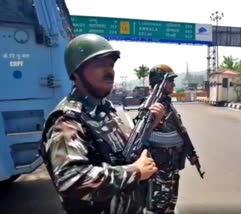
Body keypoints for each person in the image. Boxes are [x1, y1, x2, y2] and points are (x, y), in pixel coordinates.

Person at [40, 34, 165, 214]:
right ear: (77, 72)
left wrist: (150, 125)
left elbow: (122, 152)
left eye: (111, 65)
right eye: (99, 64)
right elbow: (72, 180)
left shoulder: (106, 109)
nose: (109, 71)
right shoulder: (67, 120)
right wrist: (134, 172)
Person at [146, 64, 197, 214]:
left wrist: (191, 154)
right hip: (159, 171)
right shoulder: (151, 105)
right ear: (160, 82)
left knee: (170, 206)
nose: (174, 84)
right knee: (158, 208)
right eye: (170, 81)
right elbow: (140, 138)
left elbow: (181, 132)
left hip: (171, 167)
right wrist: (155, 120)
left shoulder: (167, 104)